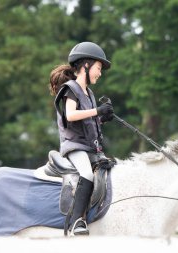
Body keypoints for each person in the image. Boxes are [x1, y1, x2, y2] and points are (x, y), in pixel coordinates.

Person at [49, 42, 114, 235]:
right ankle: (77, 221)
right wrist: (97, 111)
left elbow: (87, 122)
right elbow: (70, 115)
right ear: (86, 65)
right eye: (98, 68)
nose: (100, 73)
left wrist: (102, 118)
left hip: (89, 147)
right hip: (75, 147)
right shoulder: (71, 89)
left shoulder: (89, 93)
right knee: (86, 174)